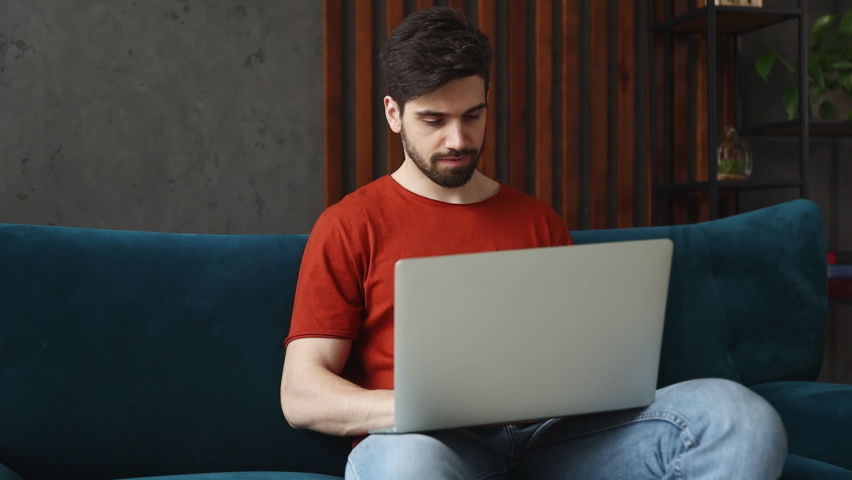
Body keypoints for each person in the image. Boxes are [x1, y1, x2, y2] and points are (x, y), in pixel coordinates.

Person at [280, 6, 787, 479]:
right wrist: (417, 407)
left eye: (472, 115)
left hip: (552, 440)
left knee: (737, 415)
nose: (458, 139)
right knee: (406, 461)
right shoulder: (350, 224)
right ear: (394, 114)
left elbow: (576, 359)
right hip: (429, 444)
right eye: (434, 120)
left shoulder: (536, 220)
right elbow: (302, 394)